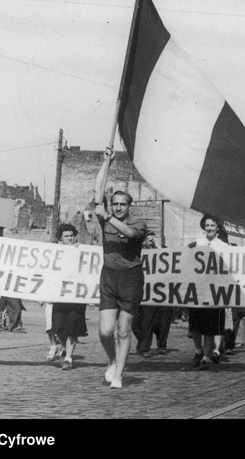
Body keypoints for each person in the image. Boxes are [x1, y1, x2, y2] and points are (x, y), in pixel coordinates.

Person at [93, 148, 148, 389]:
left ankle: (119, 375)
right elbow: (97, 191)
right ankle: (113, 360)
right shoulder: (104, 217)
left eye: (122, 205)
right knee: (106, 331)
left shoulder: (138, 223)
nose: (117, 208)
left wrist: (107, 217)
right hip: (109, 277)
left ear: (129, 207)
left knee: (123, 330)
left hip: (130, 279)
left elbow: (130, 234)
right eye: (114, 204)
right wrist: (106, 163)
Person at [187, 214, 228, 370]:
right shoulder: (197, 243)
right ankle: (198, 350)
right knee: (195, 324)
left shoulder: (223, 246)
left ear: (217, 228)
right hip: (198, 288)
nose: (210, 228)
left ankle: (206, 355)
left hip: (214, 290)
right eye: (207, 225)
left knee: (210, 326)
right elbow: (185, 257)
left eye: (212, 225)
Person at [52, 223, 88, 371]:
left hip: (76, 296)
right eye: (66, 236)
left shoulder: (82, 252)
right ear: (60, 239)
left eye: (71, 236)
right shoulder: (55, 252)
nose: (69, 238)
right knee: (59, 327)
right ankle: (64, 347)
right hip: (60, 296)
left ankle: (68, 358)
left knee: (73, 327)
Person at [134, 231, 174, 356]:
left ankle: (156, 345)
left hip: (160, 290)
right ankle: (143, 345)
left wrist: (159, 247)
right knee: (140, 322)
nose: (151, 239)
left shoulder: (163, 250)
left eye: (153, 237)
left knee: (159, 320)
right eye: (148, 237)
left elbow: (170, 261)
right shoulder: (138, 252)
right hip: (143, 289)